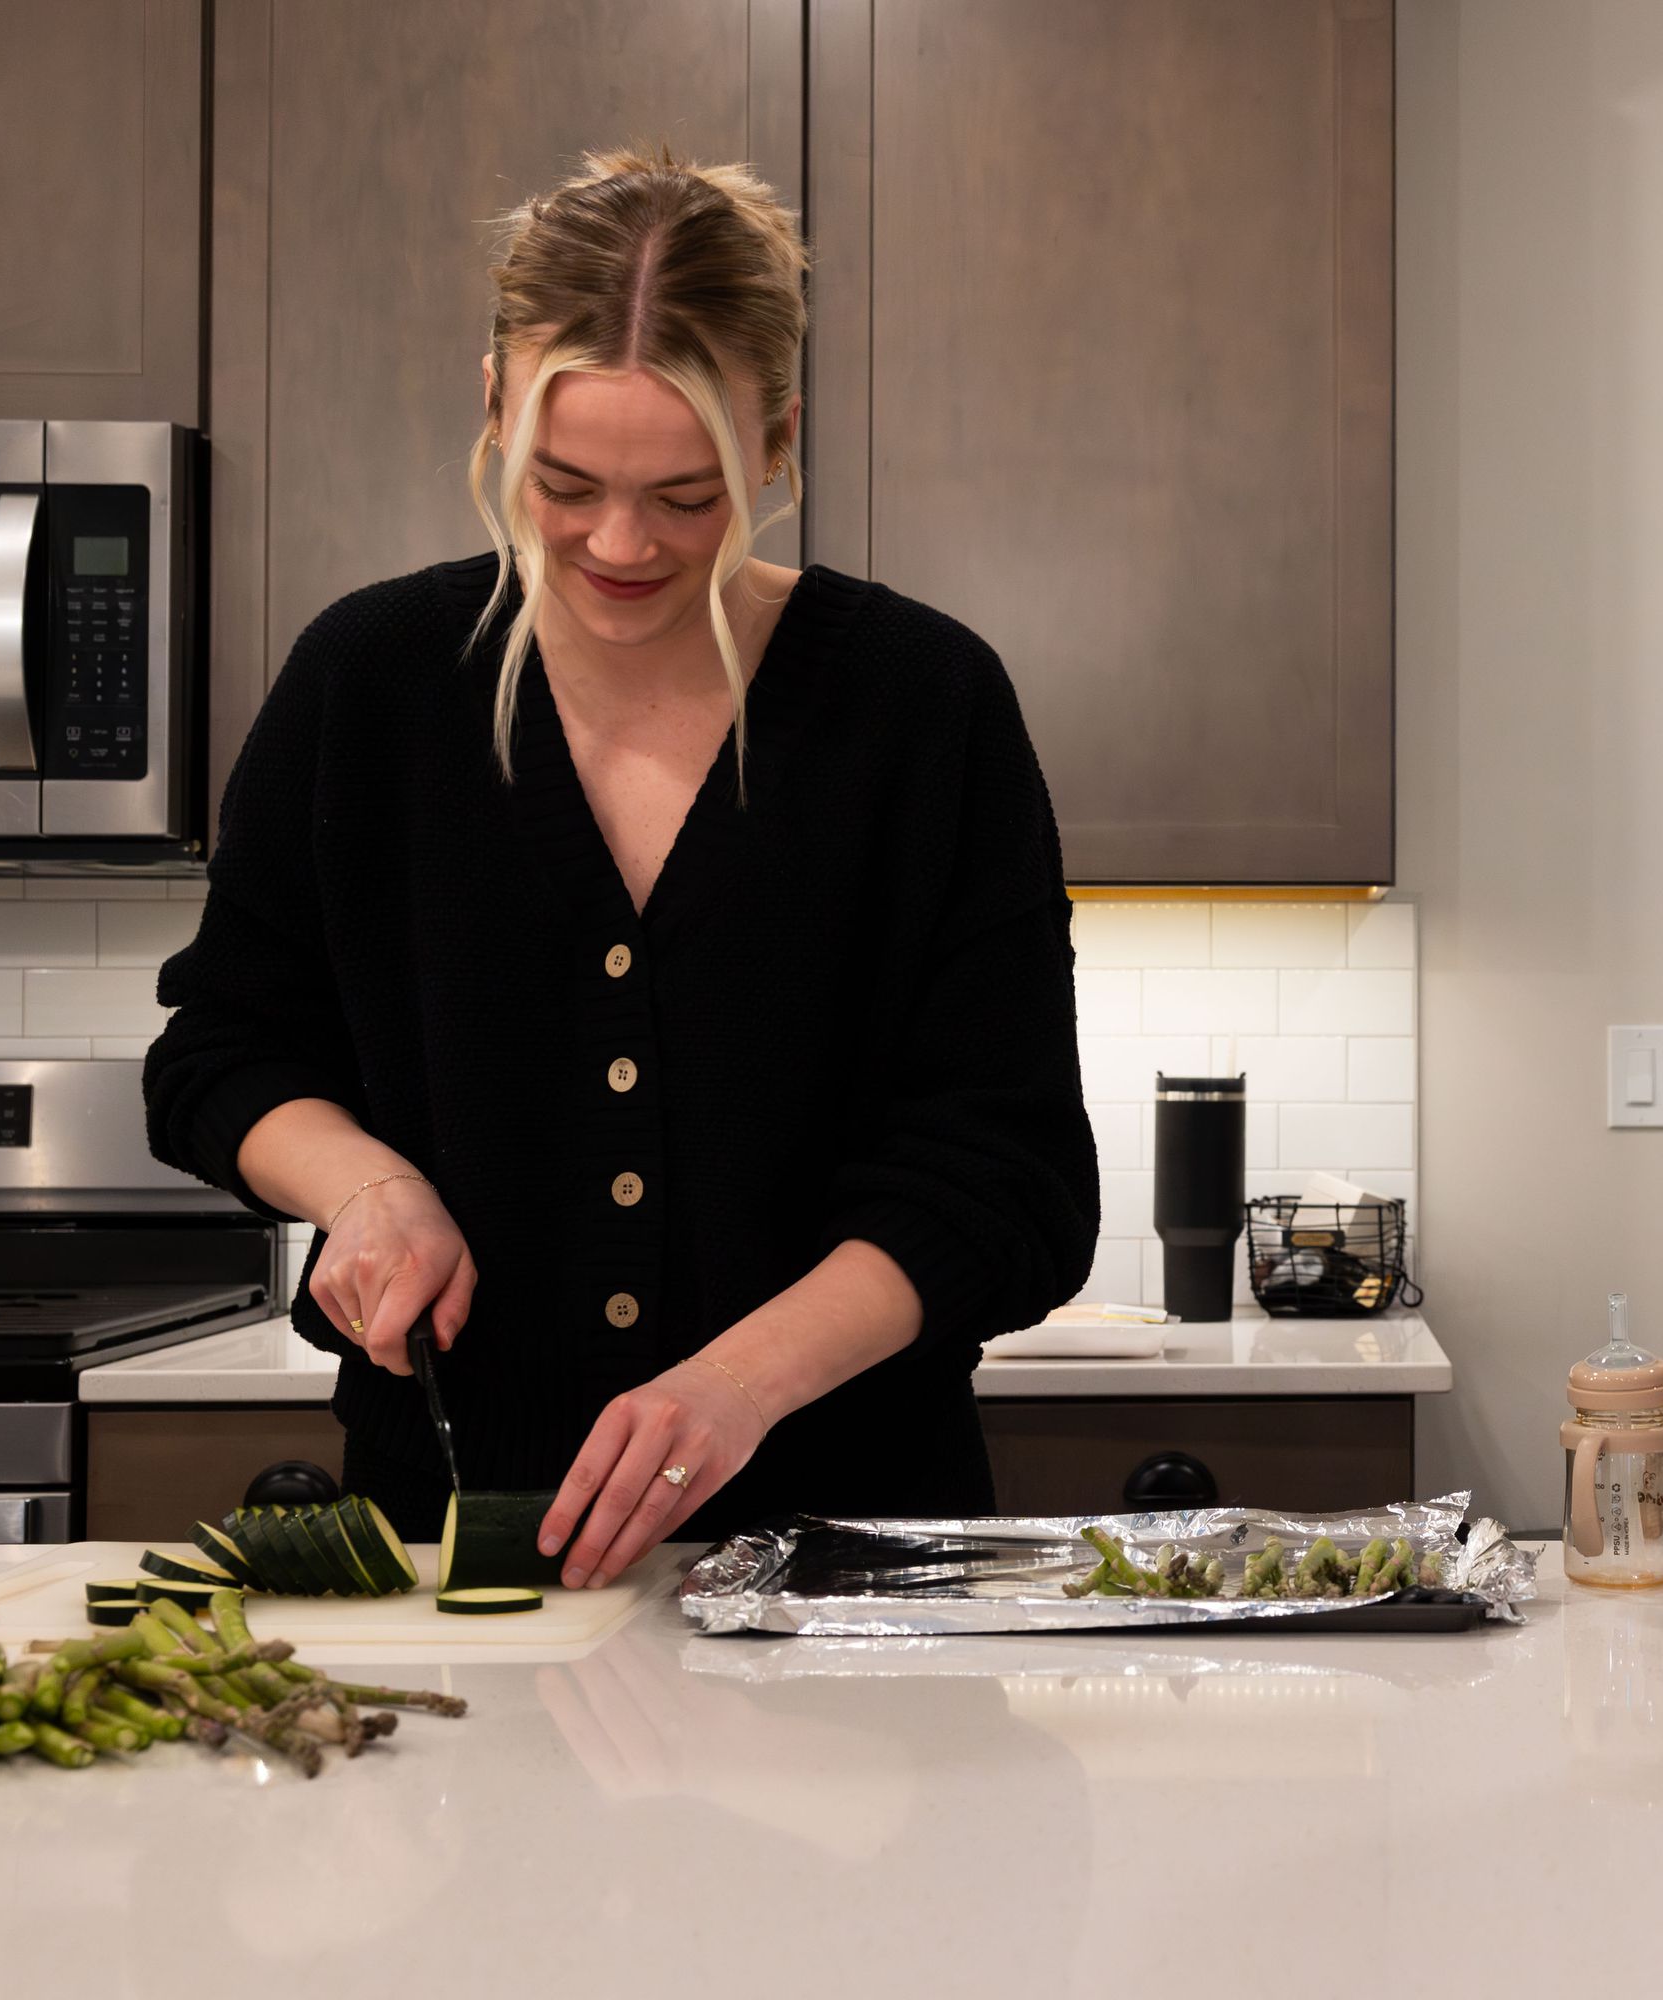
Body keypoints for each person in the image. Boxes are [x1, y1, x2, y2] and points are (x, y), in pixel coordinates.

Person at [144, 147, 1098, 1586]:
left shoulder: (921, 703)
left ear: (777, 443)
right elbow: (221, 1052)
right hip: (459, 1543)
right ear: (492, 407)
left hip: (851, 1559)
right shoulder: (373, 684)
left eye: (689, 494)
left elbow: (1011, 1177)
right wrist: (361, 1186)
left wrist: (744, 1384)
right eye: (566, 482)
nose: (619, 542)